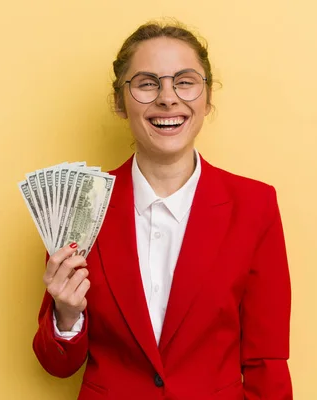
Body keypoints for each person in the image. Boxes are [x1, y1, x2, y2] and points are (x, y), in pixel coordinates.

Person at [33, 20, 292, 400]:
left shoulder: (255, 205)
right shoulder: (79, 203)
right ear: (120, 102)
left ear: (207, 97)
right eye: (147, 83)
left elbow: (266, 360)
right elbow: (58, 365)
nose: (167, 98)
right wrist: (66, 316)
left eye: (185, 81)